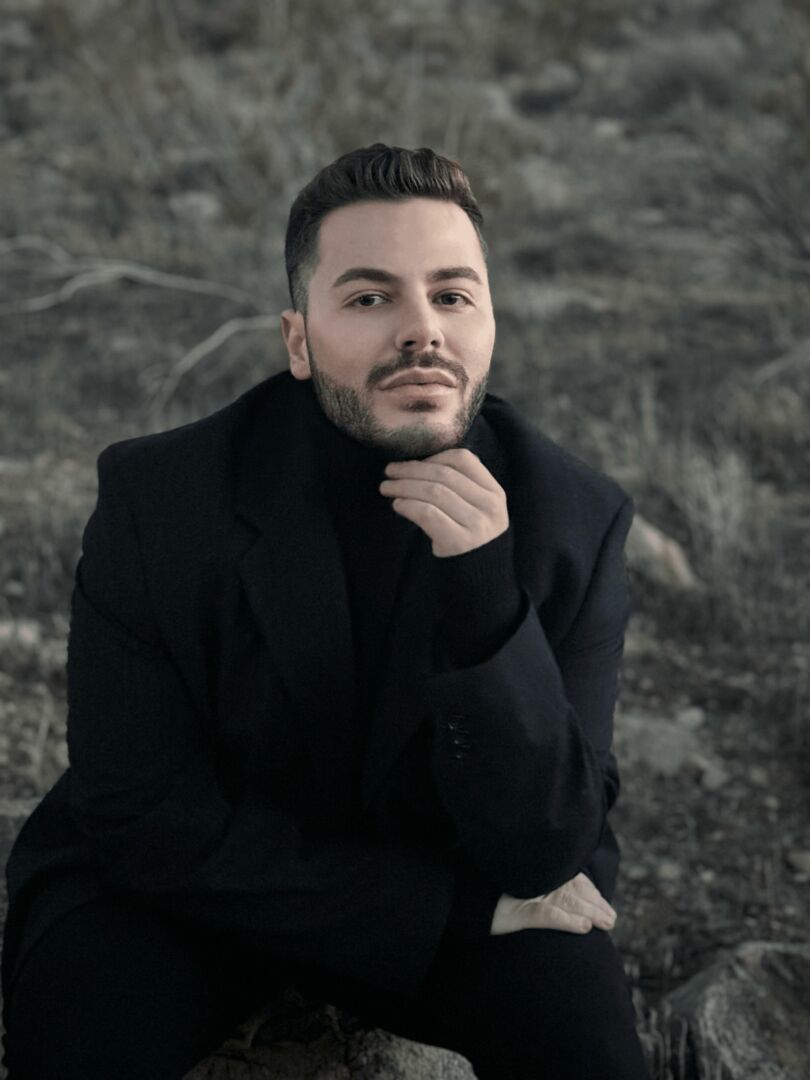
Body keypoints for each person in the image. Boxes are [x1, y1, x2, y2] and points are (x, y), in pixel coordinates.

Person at [1, 143, 650, 1079]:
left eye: (452, 295)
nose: (421, 331)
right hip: (189, 898)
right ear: (299, 341)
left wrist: (483, 598)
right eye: (370, 298)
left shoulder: (574, 520)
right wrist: (438, 911)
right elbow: (139, 814)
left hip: (463, 906)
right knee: (85, 1029)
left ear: (489, 324)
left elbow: (548, 847)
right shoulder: (162, 499)